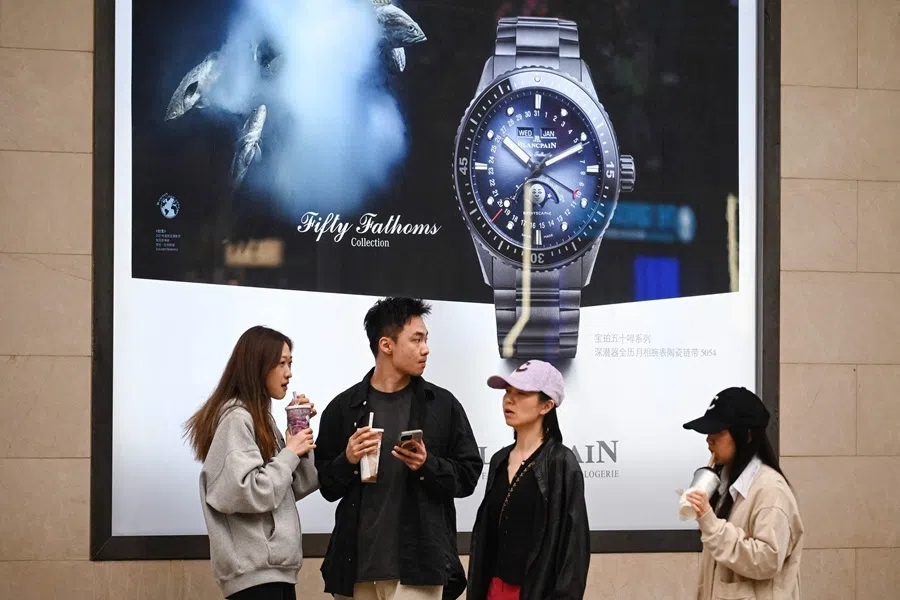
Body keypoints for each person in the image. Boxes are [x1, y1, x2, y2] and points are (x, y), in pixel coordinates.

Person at [314, 297, 483, 600]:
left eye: (426, 339)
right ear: (386, 345)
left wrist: (428, 464)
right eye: (416, 340)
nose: (426, 349)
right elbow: (327, 486)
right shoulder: (343, 408)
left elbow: (469, 475)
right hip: (355, 569)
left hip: (420, 568)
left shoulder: (441, 405)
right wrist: (347, 459)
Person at [183, 326, 319, 600]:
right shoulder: (237, 418)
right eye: (281, 363)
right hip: (255, 579)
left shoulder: (262, 419)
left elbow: (297, 486)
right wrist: (290, 453)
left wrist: (298, 436)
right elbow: (247, 491)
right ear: (258, 366)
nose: (289, 373)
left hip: (273, 573)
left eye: (290, 363)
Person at [466, 360, 590, 600]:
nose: (509, 400)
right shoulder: (499, 460)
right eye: (507, 392)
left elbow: (574, 549)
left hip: (535, 591)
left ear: (546, 405)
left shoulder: (562, 463)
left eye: (521, 393)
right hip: (493, 589)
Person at [682, 387, 804, 600]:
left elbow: (768, 560)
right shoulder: (726, 486)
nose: (709, 440)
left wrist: (712, 526)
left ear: (745, 435)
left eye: (718, 432)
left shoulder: (771, 491)